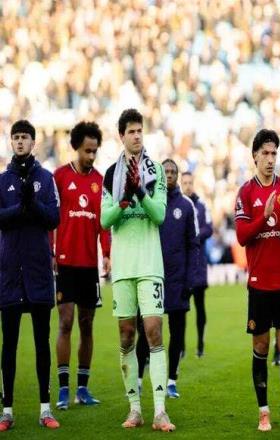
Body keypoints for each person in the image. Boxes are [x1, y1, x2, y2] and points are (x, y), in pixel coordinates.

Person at [101, 108, 174, 432]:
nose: (136, 136)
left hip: (149, 264)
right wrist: (124, 199)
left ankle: (160, 411)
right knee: (126, 335)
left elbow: (159, 215)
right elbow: (105, 220)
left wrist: (141, 192)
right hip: (123, 267)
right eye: (131, 131)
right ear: (121, 136)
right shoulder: (109, 175)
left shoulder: (155, 170)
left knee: (154, 332)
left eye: (139, 130)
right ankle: (135, 409)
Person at [234, 128, 280, 432]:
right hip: (259, 283)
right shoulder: (246, 192)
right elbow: (242, 236)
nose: (270, 158)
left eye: (274, 153)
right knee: (262, 346)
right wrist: (263, 217)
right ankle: (263, 412)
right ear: (254, 156)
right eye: (265, 153)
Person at [0, 120, 60, 430]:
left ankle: (45, 409)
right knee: (8, 345)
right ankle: (7, 410)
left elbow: (54, 218)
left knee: (41, 342)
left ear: (33, 142)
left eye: (25, 137)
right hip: (10, 273)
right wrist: (21, 209)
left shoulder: (46, 179)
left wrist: (32, 202)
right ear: (11, 142)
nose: (20, 141)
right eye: (16, 137)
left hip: (38, 273)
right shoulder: (2, 181)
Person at [53, 121, 111, 410]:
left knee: (87, 325)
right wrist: (51, 252)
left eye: (94, 151)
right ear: (76, 147)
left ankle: (83, 389)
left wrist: (107, 254)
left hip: (89, 265)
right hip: (65, 264)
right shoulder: (60, 177)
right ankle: (64, 390)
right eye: (87, 151)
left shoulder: (100, 181)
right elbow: (51, 219)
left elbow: (104, 225)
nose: (91, 156)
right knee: (65, 323)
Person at [136, 159, 199, 399]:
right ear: (161, 175)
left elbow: (194, 245)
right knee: (146, 330)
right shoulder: (150, 202)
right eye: (166, 171)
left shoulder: (186, 206)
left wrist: (190, 280)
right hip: (152, 277)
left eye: (173, 171)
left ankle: (172, 380)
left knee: (177, 333)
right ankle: (138, 379)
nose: (170, 174)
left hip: (178, 280)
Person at [181, 171, 213, 358]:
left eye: (190, 182)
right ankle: (181, 347)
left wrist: (193, 235)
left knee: (200, 307)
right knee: (181, 309)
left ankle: (200, 344)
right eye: (184, 183)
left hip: (199, 266)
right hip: (182, 266)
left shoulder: (202, 206)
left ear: (194, 184)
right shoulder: (176, 205)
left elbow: (209, 228)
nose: (187, 186)